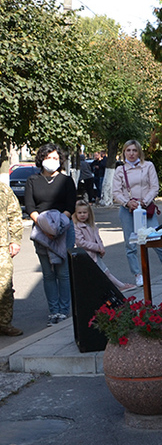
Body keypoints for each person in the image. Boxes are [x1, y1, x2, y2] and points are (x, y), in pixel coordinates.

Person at [112, 139, 162, 287]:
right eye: (128, 150)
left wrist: (143, 202)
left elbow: (154, 187)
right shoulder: (120, 170)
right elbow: (116, 192)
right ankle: (138, 275)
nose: (131, 153)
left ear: (139, 152)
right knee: (131, 244)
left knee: (157, 239)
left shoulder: (148, 166)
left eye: (134, 150)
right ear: (124, 152)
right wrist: (127, 202)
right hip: (127, 209)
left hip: (146, 208)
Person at [24, 143, 76, 325]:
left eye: (55, 158)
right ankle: (53, 312)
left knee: (63, 273)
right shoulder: (32, 180)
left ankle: (64, 310)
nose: (51, 161)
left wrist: (58, 227)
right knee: (48, 274)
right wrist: (45, 226)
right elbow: (29, 206)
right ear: (41, 159)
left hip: (64, 229)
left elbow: (71, 206)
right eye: (48, 157)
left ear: (60, 160)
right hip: (41, 230)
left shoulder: (66, 180)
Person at [72, 199, 135, 292]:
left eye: (84, 212)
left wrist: (101, 247)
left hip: (94, 253)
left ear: (89, 213)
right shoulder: (77, 226)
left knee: (103, 272)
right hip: (87, 254)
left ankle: (115, 287)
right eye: (79, 213)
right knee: (105, 272)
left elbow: (97, 238)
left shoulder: (91, 225)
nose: (82, 215)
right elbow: (80, 242)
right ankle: (120, 286)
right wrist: (97, 247)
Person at [0, 179, 22, 336]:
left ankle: (4, 323)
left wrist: (15, 239)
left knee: (5, 287)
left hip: (1, 247)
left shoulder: (3, 190)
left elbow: (14, 214)